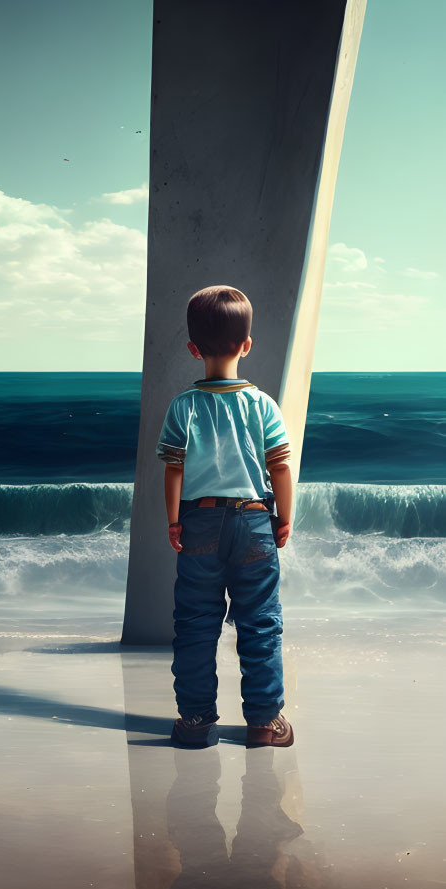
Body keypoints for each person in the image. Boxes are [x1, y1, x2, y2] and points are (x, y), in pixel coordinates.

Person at [155, 285, 295, 749]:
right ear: (247, 345)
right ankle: (263, 723)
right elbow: (279, 466)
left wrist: (174, 521)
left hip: (200, 522)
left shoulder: (183, 407)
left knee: (196, 624)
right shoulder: (263, 405)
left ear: (194, 348)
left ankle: (195, 723)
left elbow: (173, 469)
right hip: (255, 520)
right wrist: (284, 517)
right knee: (260, 623)